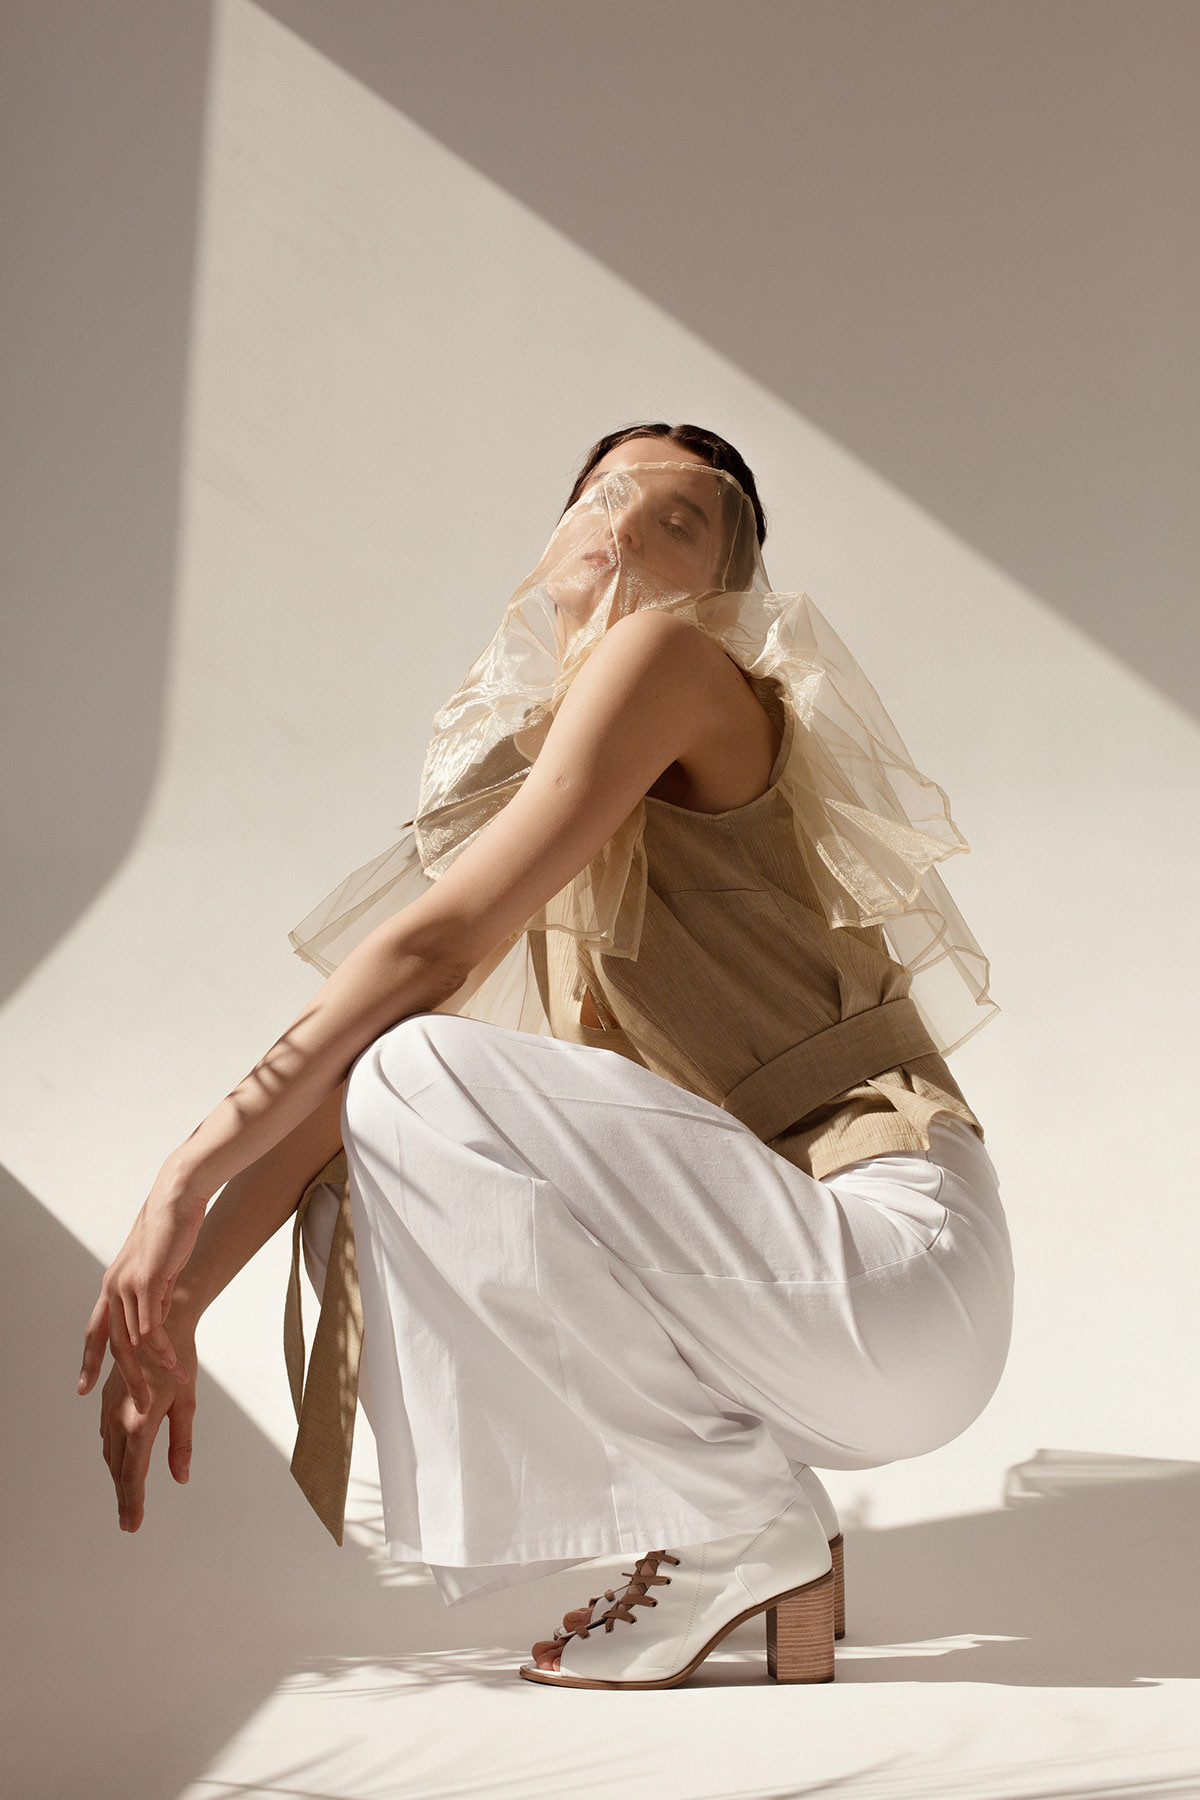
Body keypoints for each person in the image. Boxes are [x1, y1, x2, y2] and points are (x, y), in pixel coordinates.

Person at [77, 423, 1014, 1692]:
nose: (624, 525)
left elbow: (426, 956)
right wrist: (178, 1307)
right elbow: (347, 1100)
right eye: (603, 496)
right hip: (812, 1332)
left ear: (726, 589)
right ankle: (742, 1509)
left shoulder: (674, 660)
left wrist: (179, 1179)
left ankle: (732, 1525)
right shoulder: (563, 788)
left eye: (678, 519)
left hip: (896, 1264)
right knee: (388, 1122)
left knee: (414, 1071)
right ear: (559, 535)